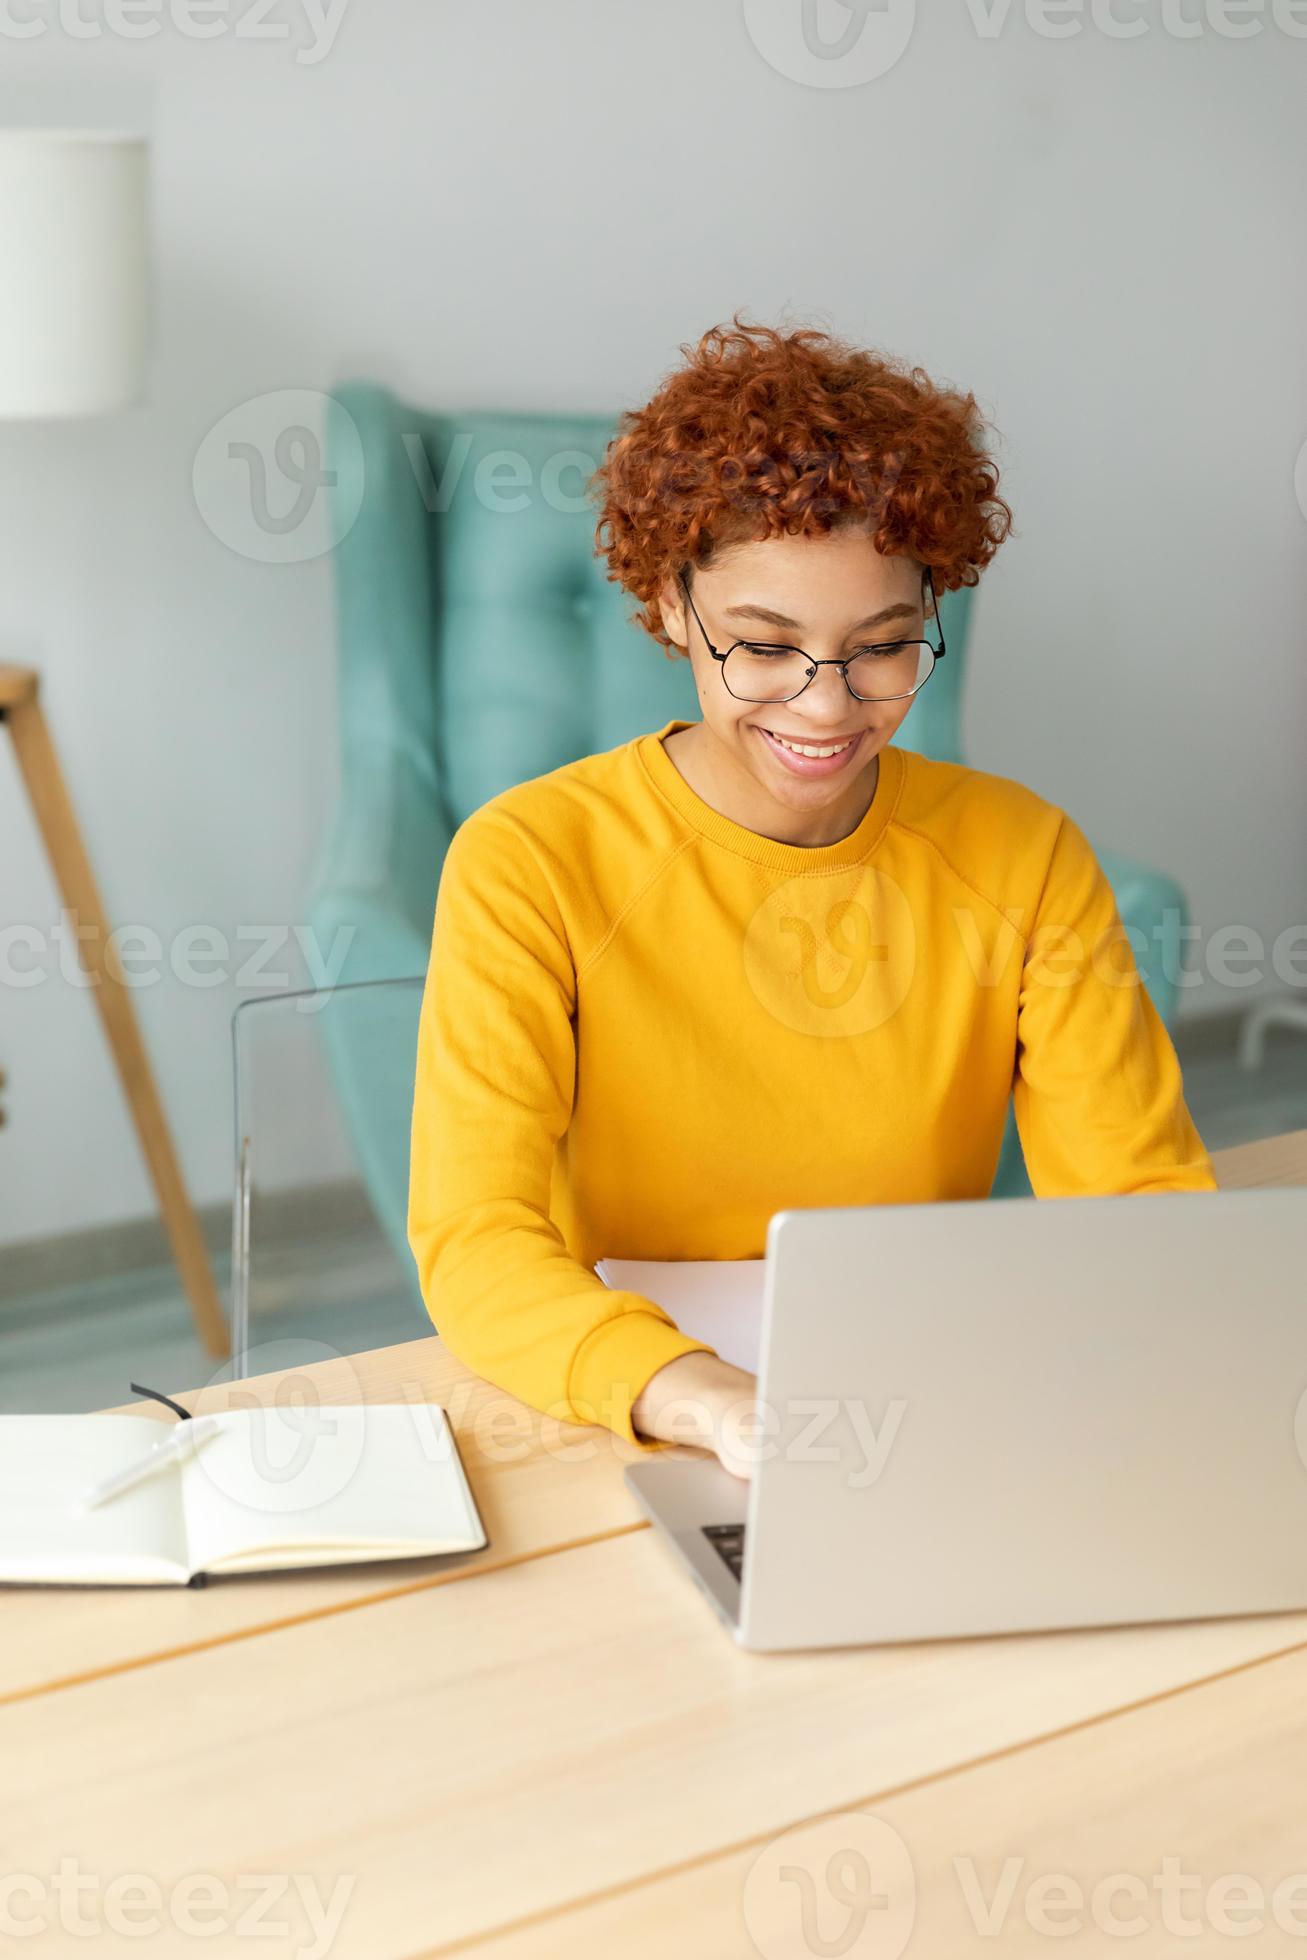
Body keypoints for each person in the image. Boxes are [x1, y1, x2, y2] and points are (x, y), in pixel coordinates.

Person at [407, 313, 1216, 1482]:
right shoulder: (529, 859)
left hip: (936, 1390)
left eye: (880, 646)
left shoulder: (1021, 854)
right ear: (670, 607)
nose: (825, 707)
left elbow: (1138, 1204)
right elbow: (478, 1240)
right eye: (763, 646)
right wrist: (709, 1401)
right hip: (634, 1404)